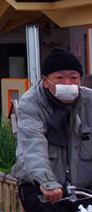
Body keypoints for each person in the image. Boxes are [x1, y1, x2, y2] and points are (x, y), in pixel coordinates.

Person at [13, 48, 92, 211]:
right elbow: (33, 147)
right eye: (60, 77)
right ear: (45, 80)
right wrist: (47, 182)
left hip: (85, 190)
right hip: (42, 188)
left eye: (73, 77)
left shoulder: (89, 102)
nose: (68, 83)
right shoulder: (30, 104)